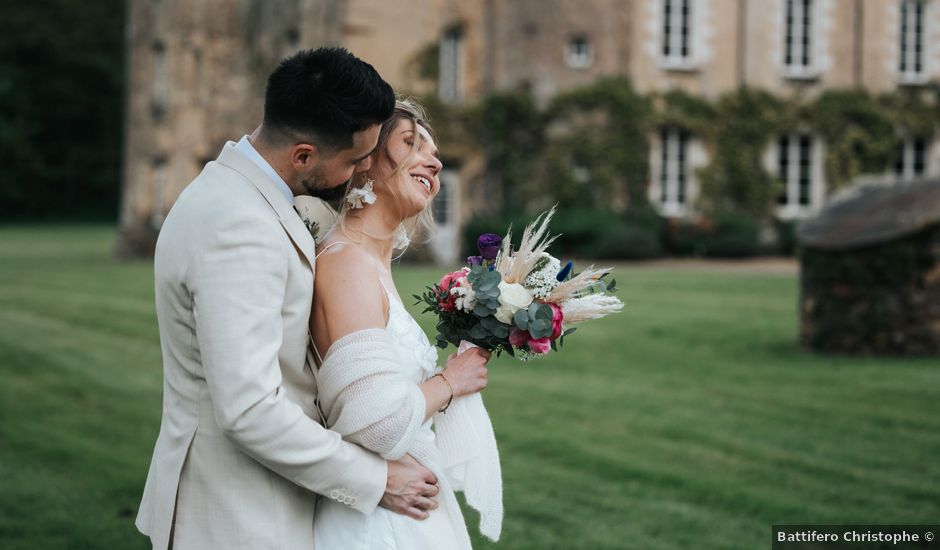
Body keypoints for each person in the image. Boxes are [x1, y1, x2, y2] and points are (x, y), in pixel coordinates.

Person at [135, 48, 486, 550]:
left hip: (276, 500)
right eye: (353, 160)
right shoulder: (238, 226)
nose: (361, 172)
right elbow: (250, 410)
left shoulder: (249, 198)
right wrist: (378, 478)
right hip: (237, 513)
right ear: (303, 155)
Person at [309, 98, 499, 550]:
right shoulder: (347, 264)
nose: (433, 161)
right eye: (411, 143)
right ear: (366, 159)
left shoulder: (368, 263)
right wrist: (450, 383)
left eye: (433, 151)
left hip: (404, 506)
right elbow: (374, 426)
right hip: (377, 526)